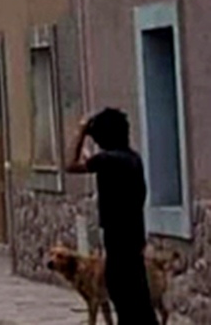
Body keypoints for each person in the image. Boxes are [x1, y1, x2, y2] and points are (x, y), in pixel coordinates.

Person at [66, 108, 158, 324]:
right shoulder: (131, 159)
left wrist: (81, 131)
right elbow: (97, 164)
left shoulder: (109, 160)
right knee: (139, 304)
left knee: (127, 304)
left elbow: (71, 164)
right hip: (133, 241)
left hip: (118, 244)